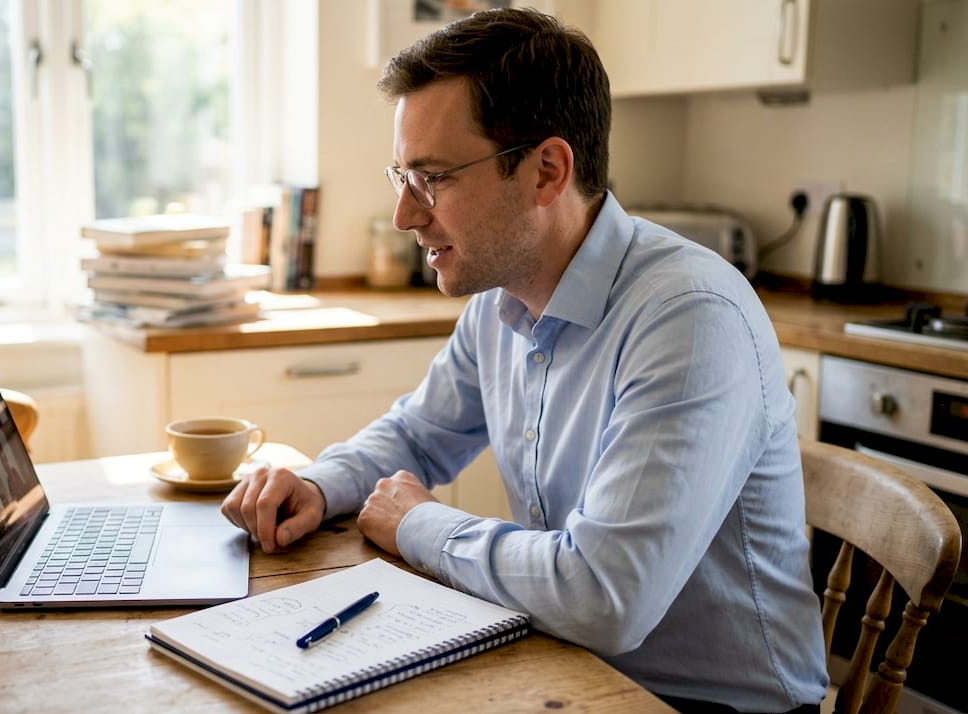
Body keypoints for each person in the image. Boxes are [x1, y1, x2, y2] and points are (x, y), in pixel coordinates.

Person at [221, 8, 827, 712]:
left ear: (546, 170)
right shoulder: (502, 297)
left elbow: (604, 598)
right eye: (402, 176)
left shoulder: (690, 319)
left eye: (433, 178)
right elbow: (419, 435)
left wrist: (418, 522)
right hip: (562, 664)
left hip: (698, 702)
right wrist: (321, 484)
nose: (405, 216)